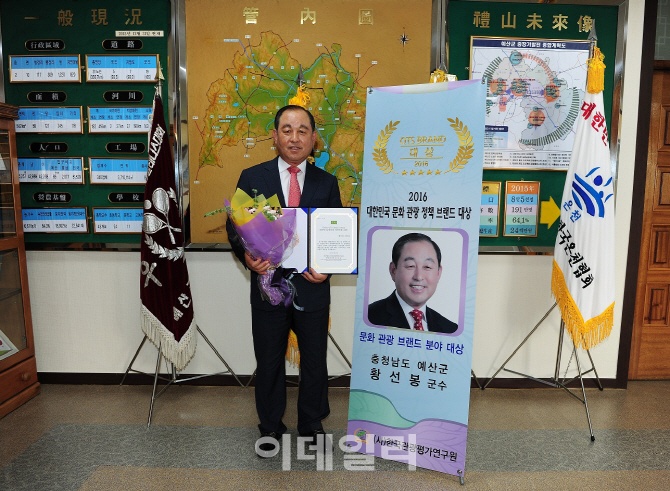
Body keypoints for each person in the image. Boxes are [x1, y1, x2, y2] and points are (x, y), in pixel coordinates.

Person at [226, 105, 342, 456]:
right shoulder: (253, 178)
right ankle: (270, 424)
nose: (295, 137)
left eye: (303, 130)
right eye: (287, 130)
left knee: (315, 359)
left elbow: (335, 235)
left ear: (313, 139)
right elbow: (236, 226)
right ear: (275, 136)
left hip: (312, 286)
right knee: (270, 359)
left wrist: (328, 268)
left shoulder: (327, 182)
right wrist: (246, 256)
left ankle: (311, 423)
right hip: (268, 287)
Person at [367, 232, 458, 334]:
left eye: (427, 267)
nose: (418, 276)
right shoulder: (368, 318)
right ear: (393, 270)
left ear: (438, 273)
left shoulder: (451, 330)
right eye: (410, 266)